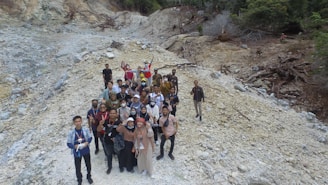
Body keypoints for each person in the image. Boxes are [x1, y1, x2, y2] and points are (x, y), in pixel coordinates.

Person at [67, 116, 93, 185]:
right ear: (74, 123)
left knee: (88, 165)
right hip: (77, 152)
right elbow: (68, 143)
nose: (78, 123)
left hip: (86, 150)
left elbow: (90, 137)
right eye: (76, 122)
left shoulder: (85, 130)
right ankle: (79, 179)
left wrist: (87, 142)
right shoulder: (71, 133)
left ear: (81, 121)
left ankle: (89, 176)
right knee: (78, 167)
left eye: (79, 121)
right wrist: (74, 146)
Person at [97, 108, 122, 174]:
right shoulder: (105, 121)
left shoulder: (119, 122)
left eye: (114, 113)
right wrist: (100, 124)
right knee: (109, 155)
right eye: (111, 113)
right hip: (107, 141)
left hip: (116, 141)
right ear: (109, 114)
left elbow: (121, 132)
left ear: (117, 114)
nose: (112, 115)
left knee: (119, 154)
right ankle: (109, 167)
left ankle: (121, 166)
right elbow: (98, 130)